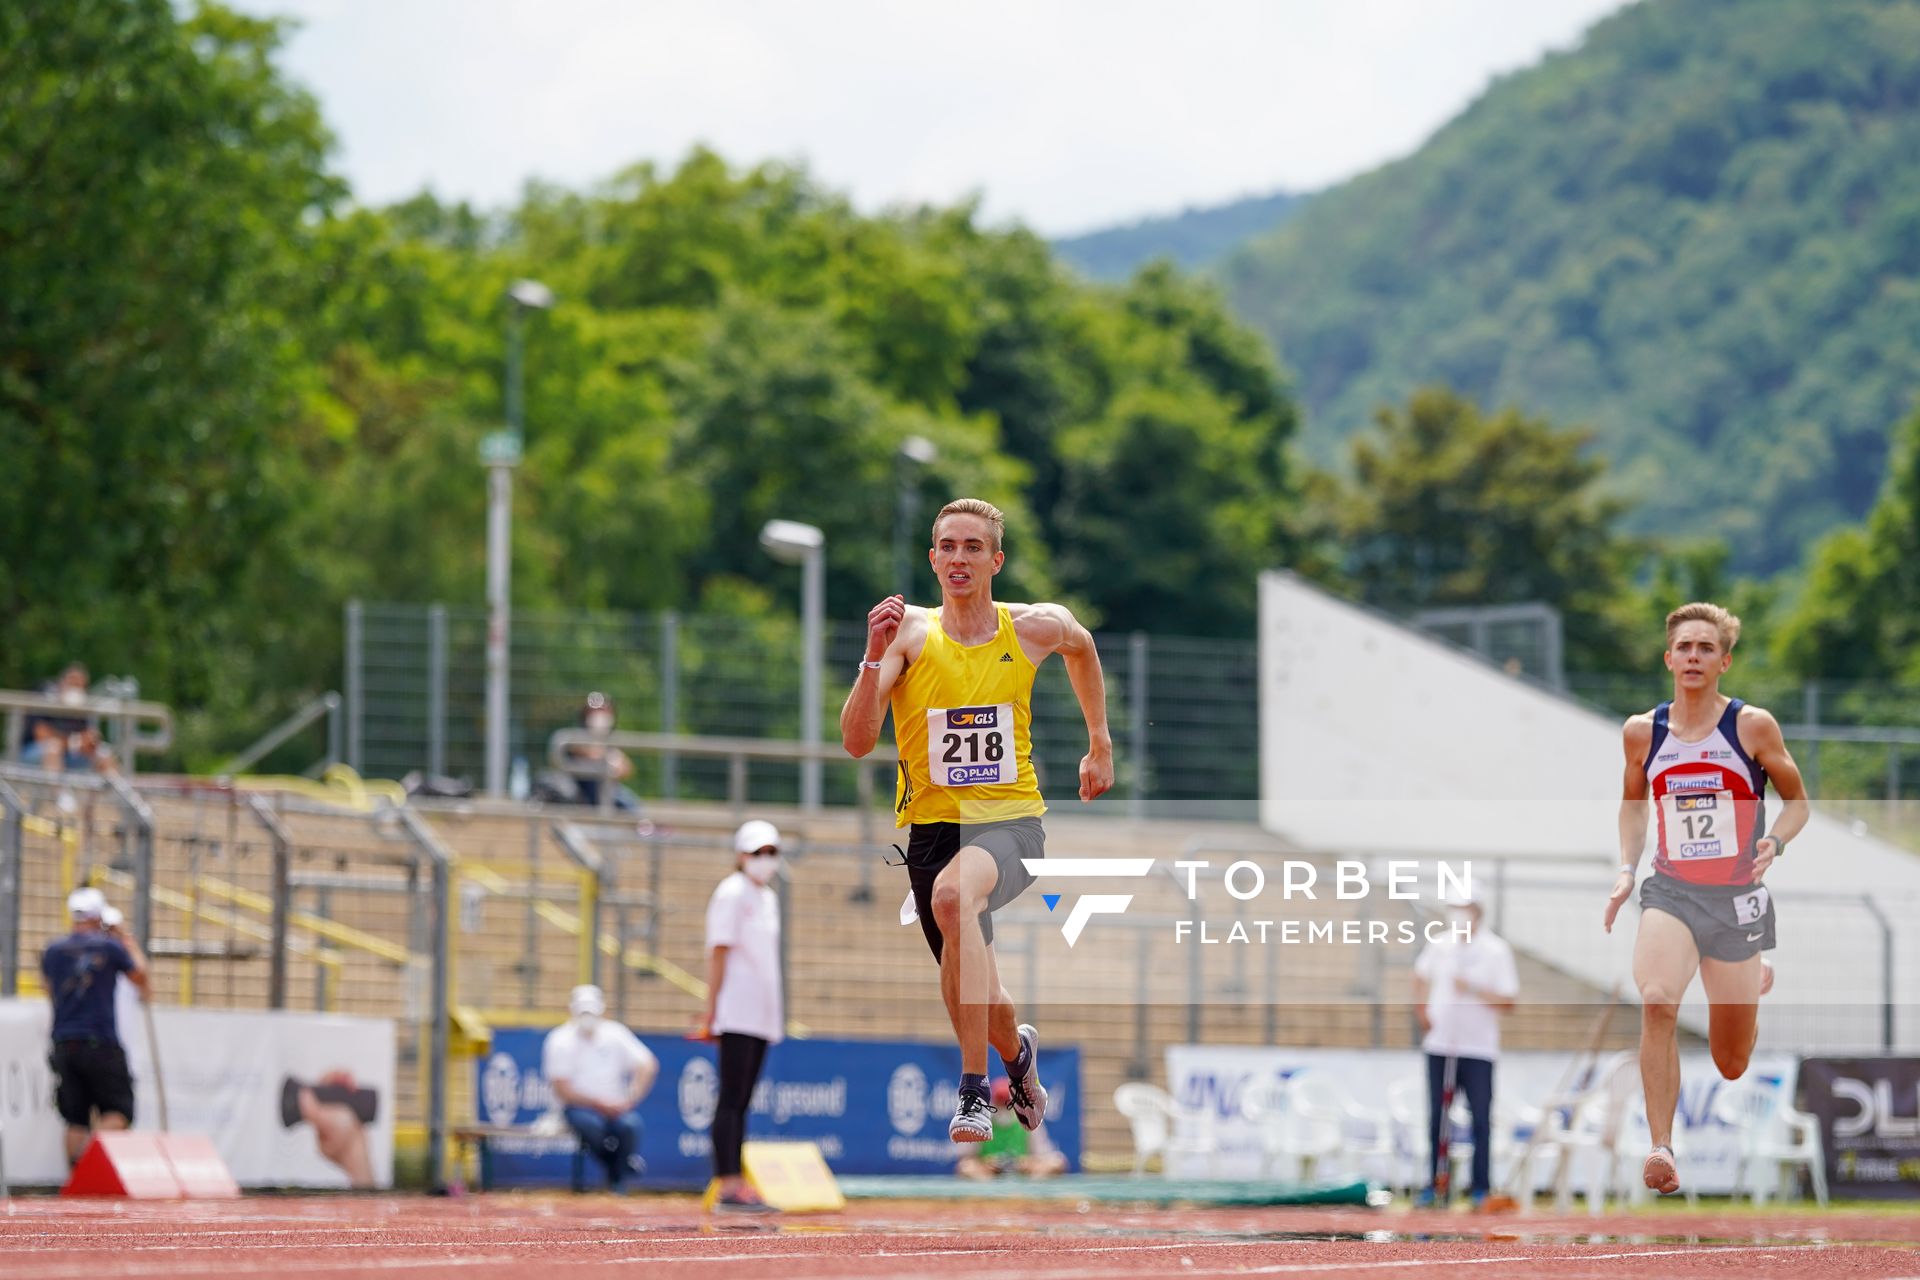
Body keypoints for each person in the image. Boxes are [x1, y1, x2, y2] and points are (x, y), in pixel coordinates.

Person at [840, 497, 1114, 1143]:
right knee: (982, 995)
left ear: (997, 559)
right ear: (933, 558)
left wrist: (1099, 741)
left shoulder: (1033, 628)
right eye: (948, 547)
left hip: (1012, 824)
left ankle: (972, 1094)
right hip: (931, 831)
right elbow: (856, 741)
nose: (959, 558)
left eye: (972, 547)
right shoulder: (908, 634)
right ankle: (1016, 1056)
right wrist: (872, 654)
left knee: (954, 895)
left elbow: (1085, 646)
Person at [1604, 602, 1808, 1197]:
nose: (1694, 657)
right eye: (1685, 647)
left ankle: (1754, 974)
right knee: (1658, 1002)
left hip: (1737, 898)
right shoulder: (1644, 732)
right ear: (1669, 658)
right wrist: (1625, 869)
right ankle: (1661, 1147)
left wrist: (1774, 840)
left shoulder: (1752, 728)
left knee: (1731, 1061)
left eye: (1706, 648)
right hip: (1672, 890)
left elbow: (1798, 802)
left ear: (1724, 661)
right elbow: (1633, 806)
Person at [694, 819, 786, 1213]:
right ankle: (728, 1182)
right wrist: (711, 1009)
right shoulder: (731, 892)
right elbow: (719, 950)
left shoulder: (767, 897)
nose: (764, 860)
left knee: (743, 1099)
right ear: (740, 855)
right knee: (731, 1098)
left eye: (770, 853)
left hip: (762, 1011)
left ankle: (736, 1180)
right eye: (756, 853)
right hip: (736, 1007)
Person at [1410, 896, 1518, 1209]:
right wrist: (1422, 1011)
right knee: (1438, 1118)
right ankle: (1436, 1183)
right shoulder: (1441, 945)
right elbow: (1419, 975)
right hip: (1441, 1045)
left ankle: (1480, 1188)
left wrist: (1472, 988)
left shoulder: (1496, 950)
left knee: (1481, 1118)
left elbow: (1509, 1001)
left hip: (1479, 1048)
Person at [41, 887, 150, 1163]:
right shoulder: (109, 947)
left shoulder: (53, 950)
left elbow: (49, 990)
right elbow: (140, 976)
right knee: (119, 1111)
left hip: (64, 1041)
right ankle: (88, 1160)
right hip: (100, 1042)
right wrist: (126, 938)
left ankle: (73, 1186)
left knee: (75, 1118)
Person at [541, 984, 657, 1190]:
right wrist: (597, 1103)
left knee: (630, 1126)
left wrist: (630, 1098)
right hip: (578, 1108)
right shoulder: (560, 1039)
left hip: (615, 1107)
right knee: (591, 1127)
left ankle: (618, 1178)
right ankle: (618, 1170)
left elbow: (648, 1064)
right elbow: (562, 1089)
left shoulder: (616, 1033)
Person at [955, 1076, 1070, 1180]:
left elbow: (1043, 1154)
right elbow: (967, 1158)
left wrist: (1027, 1163)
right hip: (990, 1175)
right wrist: (987, 1164)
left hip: (1023, 1173)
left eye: (1008, 1104)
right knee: (966, 1167)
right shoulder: (980, 1122)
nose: (1004, 1108)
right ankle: (989, 1193)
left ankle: (1031, 1192)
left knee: (1056, 1162)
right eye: (1000, 1104)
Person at [21, 663, 113, 775]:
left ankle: (113, 791)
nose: (75, 687)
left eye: (80, 685)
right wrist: (74, 743)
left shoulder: (83, 707)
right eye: (72, 681)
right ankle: (57, 792)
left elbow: (86, 738)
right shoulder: (46, 697)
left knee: (104, 753)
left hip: (72, 755)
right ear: (61, 682)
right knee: (53, 748)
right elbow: (41, 735)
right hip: (33, 752)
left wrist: (91, 742)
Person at [562, 692, 642, 813]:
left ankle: (646, 828)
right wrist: (606, 757)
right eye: (595, 712)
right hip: (581, 789)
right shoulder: (577, 736)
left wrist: (615, 763)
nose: (599, 717)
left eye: (604, 712)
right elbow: (581, 751)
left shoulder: (609, 741)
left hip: (608, 790)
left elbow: (627, 769)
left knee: (628, 801)